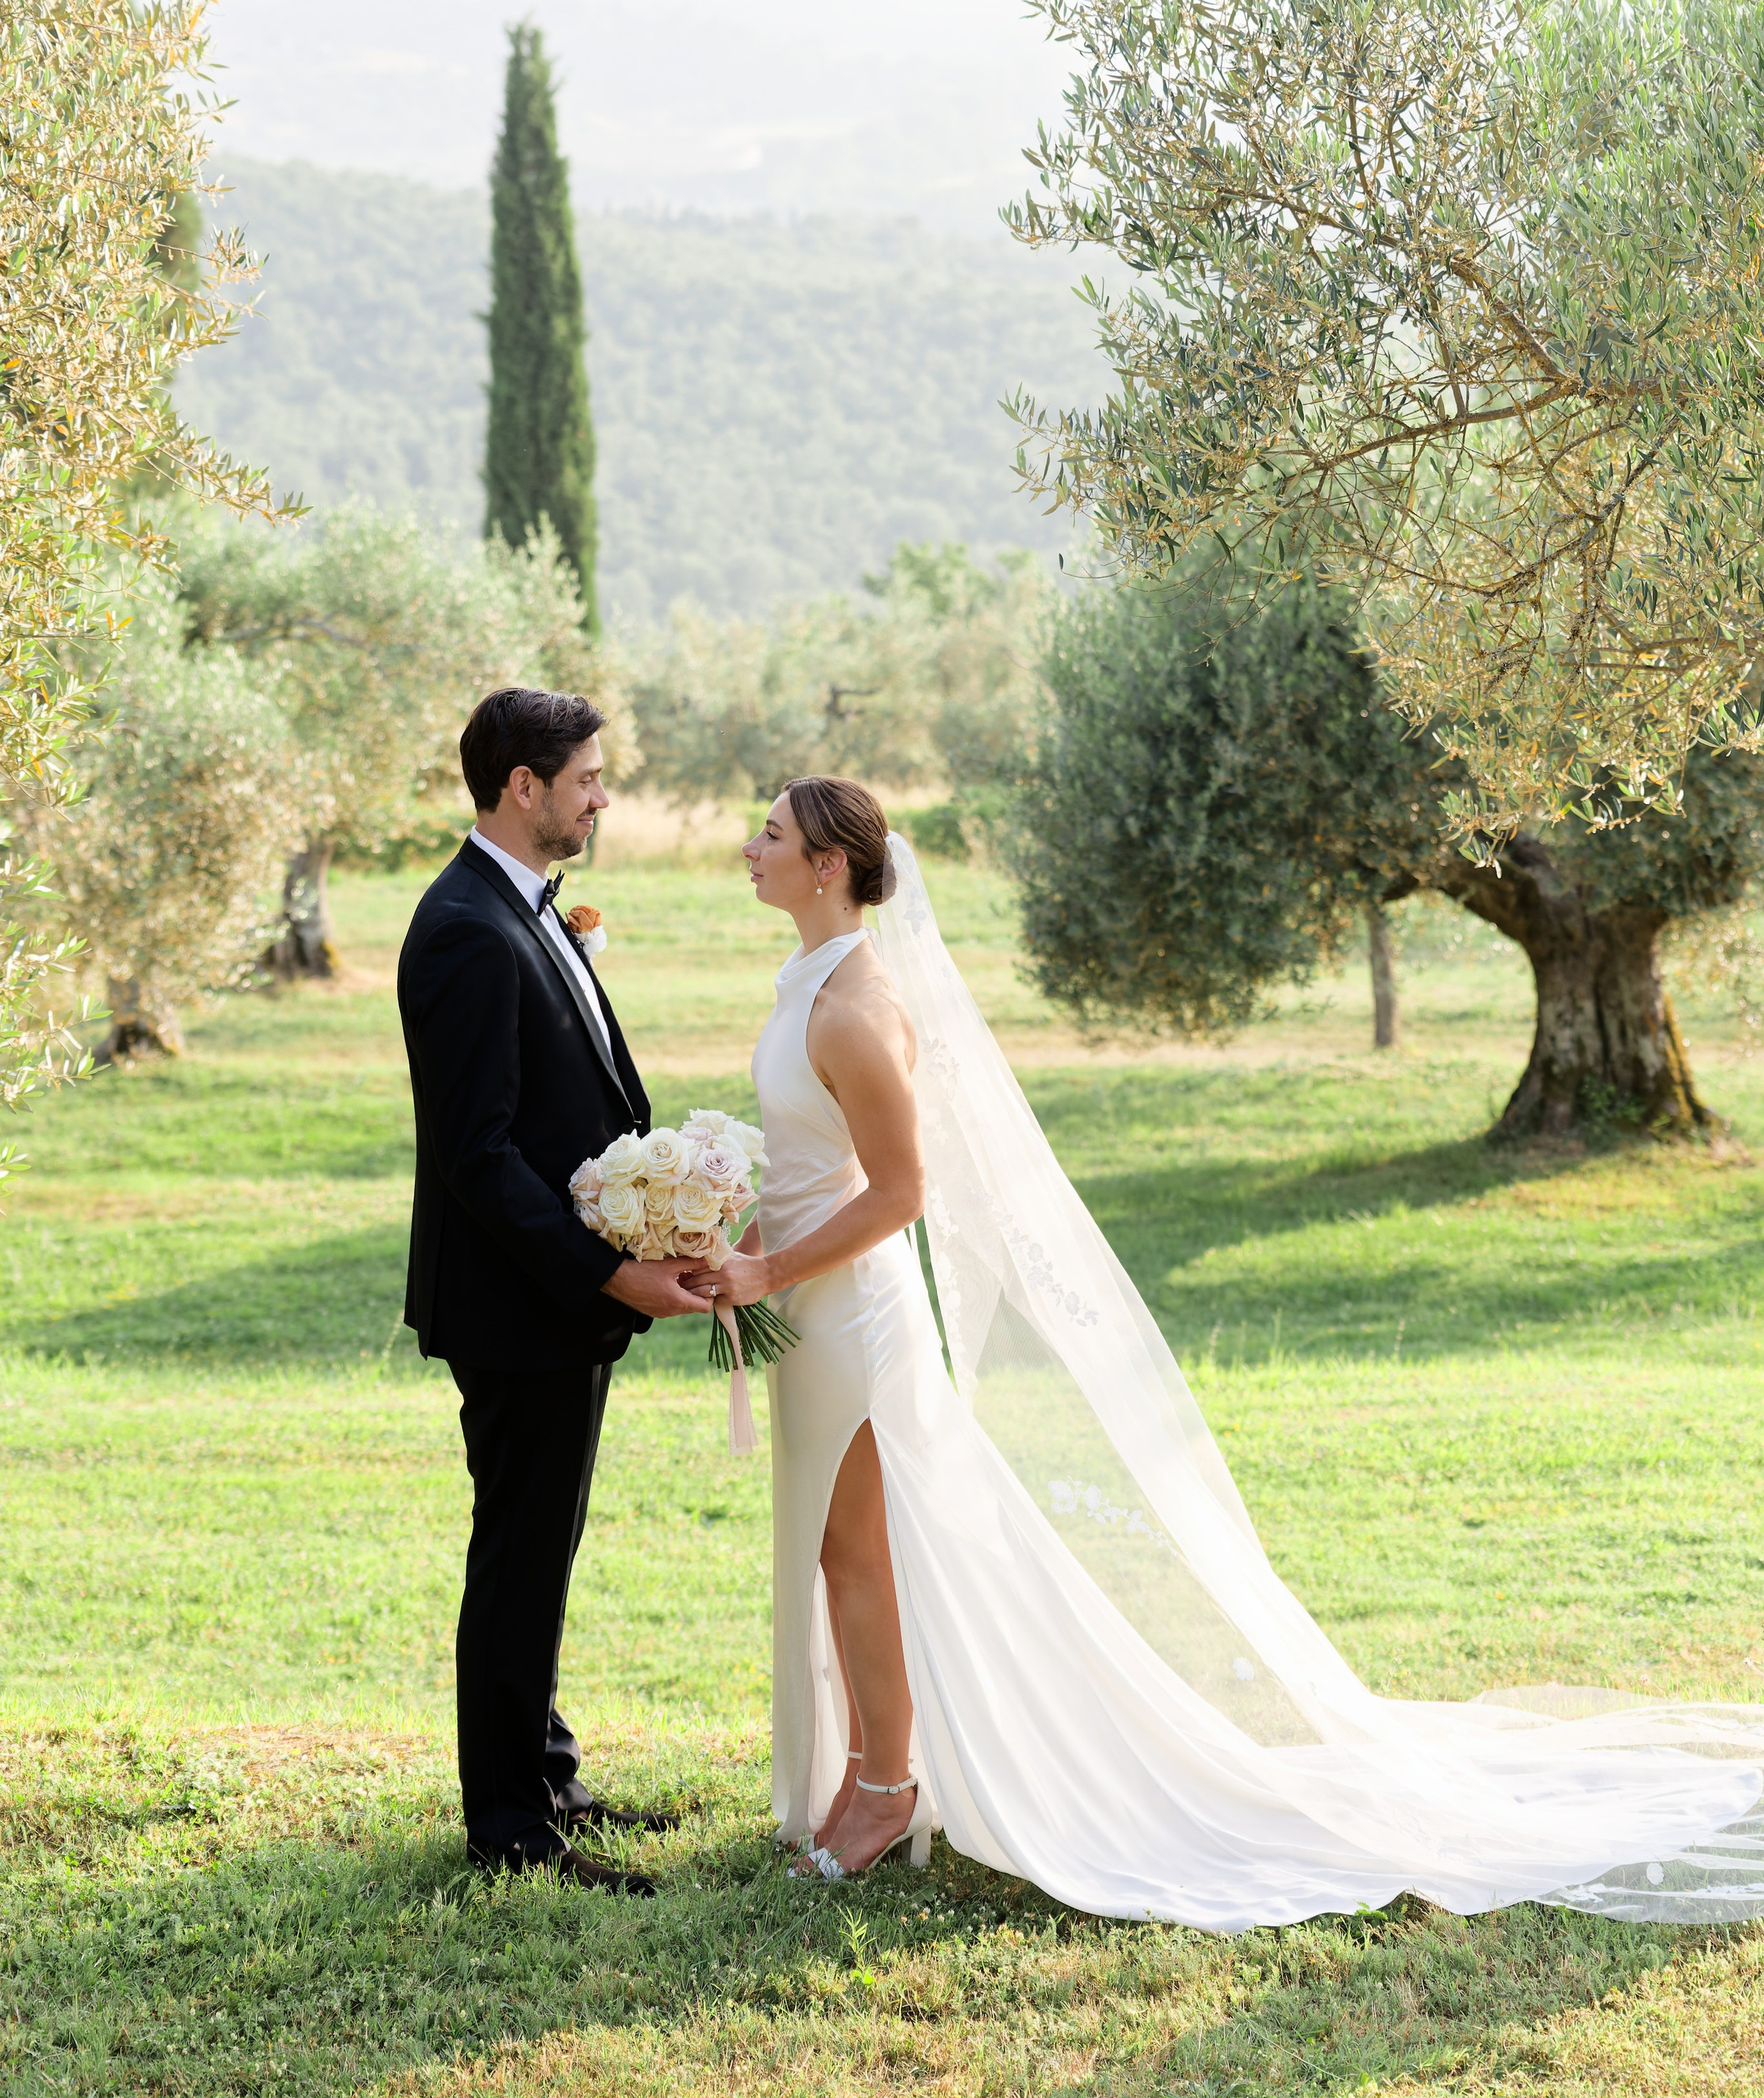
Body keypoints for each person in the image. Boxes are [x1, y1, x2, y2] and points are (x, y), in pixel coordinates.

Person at [693, 778, 1764, 1922]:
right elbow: (820, 1169)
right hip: (809, 1310)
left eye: (770, 834)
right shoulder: (805, 984)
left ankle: (887, 1787)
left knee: (858, 1558)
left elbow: (902, 1192)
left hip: (855, 1322)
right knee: (836, 1553)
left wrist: (767, 1271)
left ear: (827, 867)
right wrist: (737, 1238)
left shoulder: (855, 1007)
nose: (748, 846)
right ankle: (867, 1768)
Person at [398, 687, 711, 1889]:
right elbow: (478, 1157)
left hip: (554, 1297)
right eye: (586, 776)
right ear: (522, 786)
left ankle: (548, 1774)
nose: (602, 795)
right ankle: (512, 1830)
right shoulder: (467, 926)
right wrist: (614, 1267)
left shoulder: (518, 907)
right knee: (522, 1553)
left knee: (543, 1541)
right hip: (518, 1304)